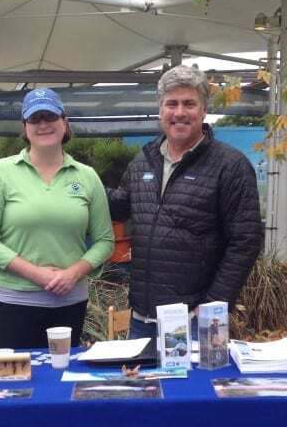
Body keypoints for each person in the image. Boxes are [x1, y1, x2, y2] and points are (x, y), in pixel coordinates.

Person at [107, 64, 262, 339]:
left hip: (192, 318)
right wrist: (77, 185)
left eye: (189, 104)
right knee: (142, 383)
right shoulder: (144, 160)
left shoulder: (230, 166)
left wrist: (213, 305)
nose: (179, 113)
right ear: (160, 110)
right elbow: (120, 206)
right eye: (172, 104)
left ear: (204, 111)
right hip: (142, 317)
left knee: (191, 383)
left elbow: (246, 240)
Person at [0, 88, 114, 348]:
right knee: (21, 379)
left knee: (63, 375)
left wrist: (73, 273)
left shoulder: (87, 176)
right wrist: (37, 275)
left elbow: (105, 241)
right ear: (24, 127)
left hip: (71, 300)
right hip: (17, 301)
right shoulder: (1, 172)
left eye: (50, 116)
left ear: (64, 122)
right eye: (35, 119)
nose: (43, 124)